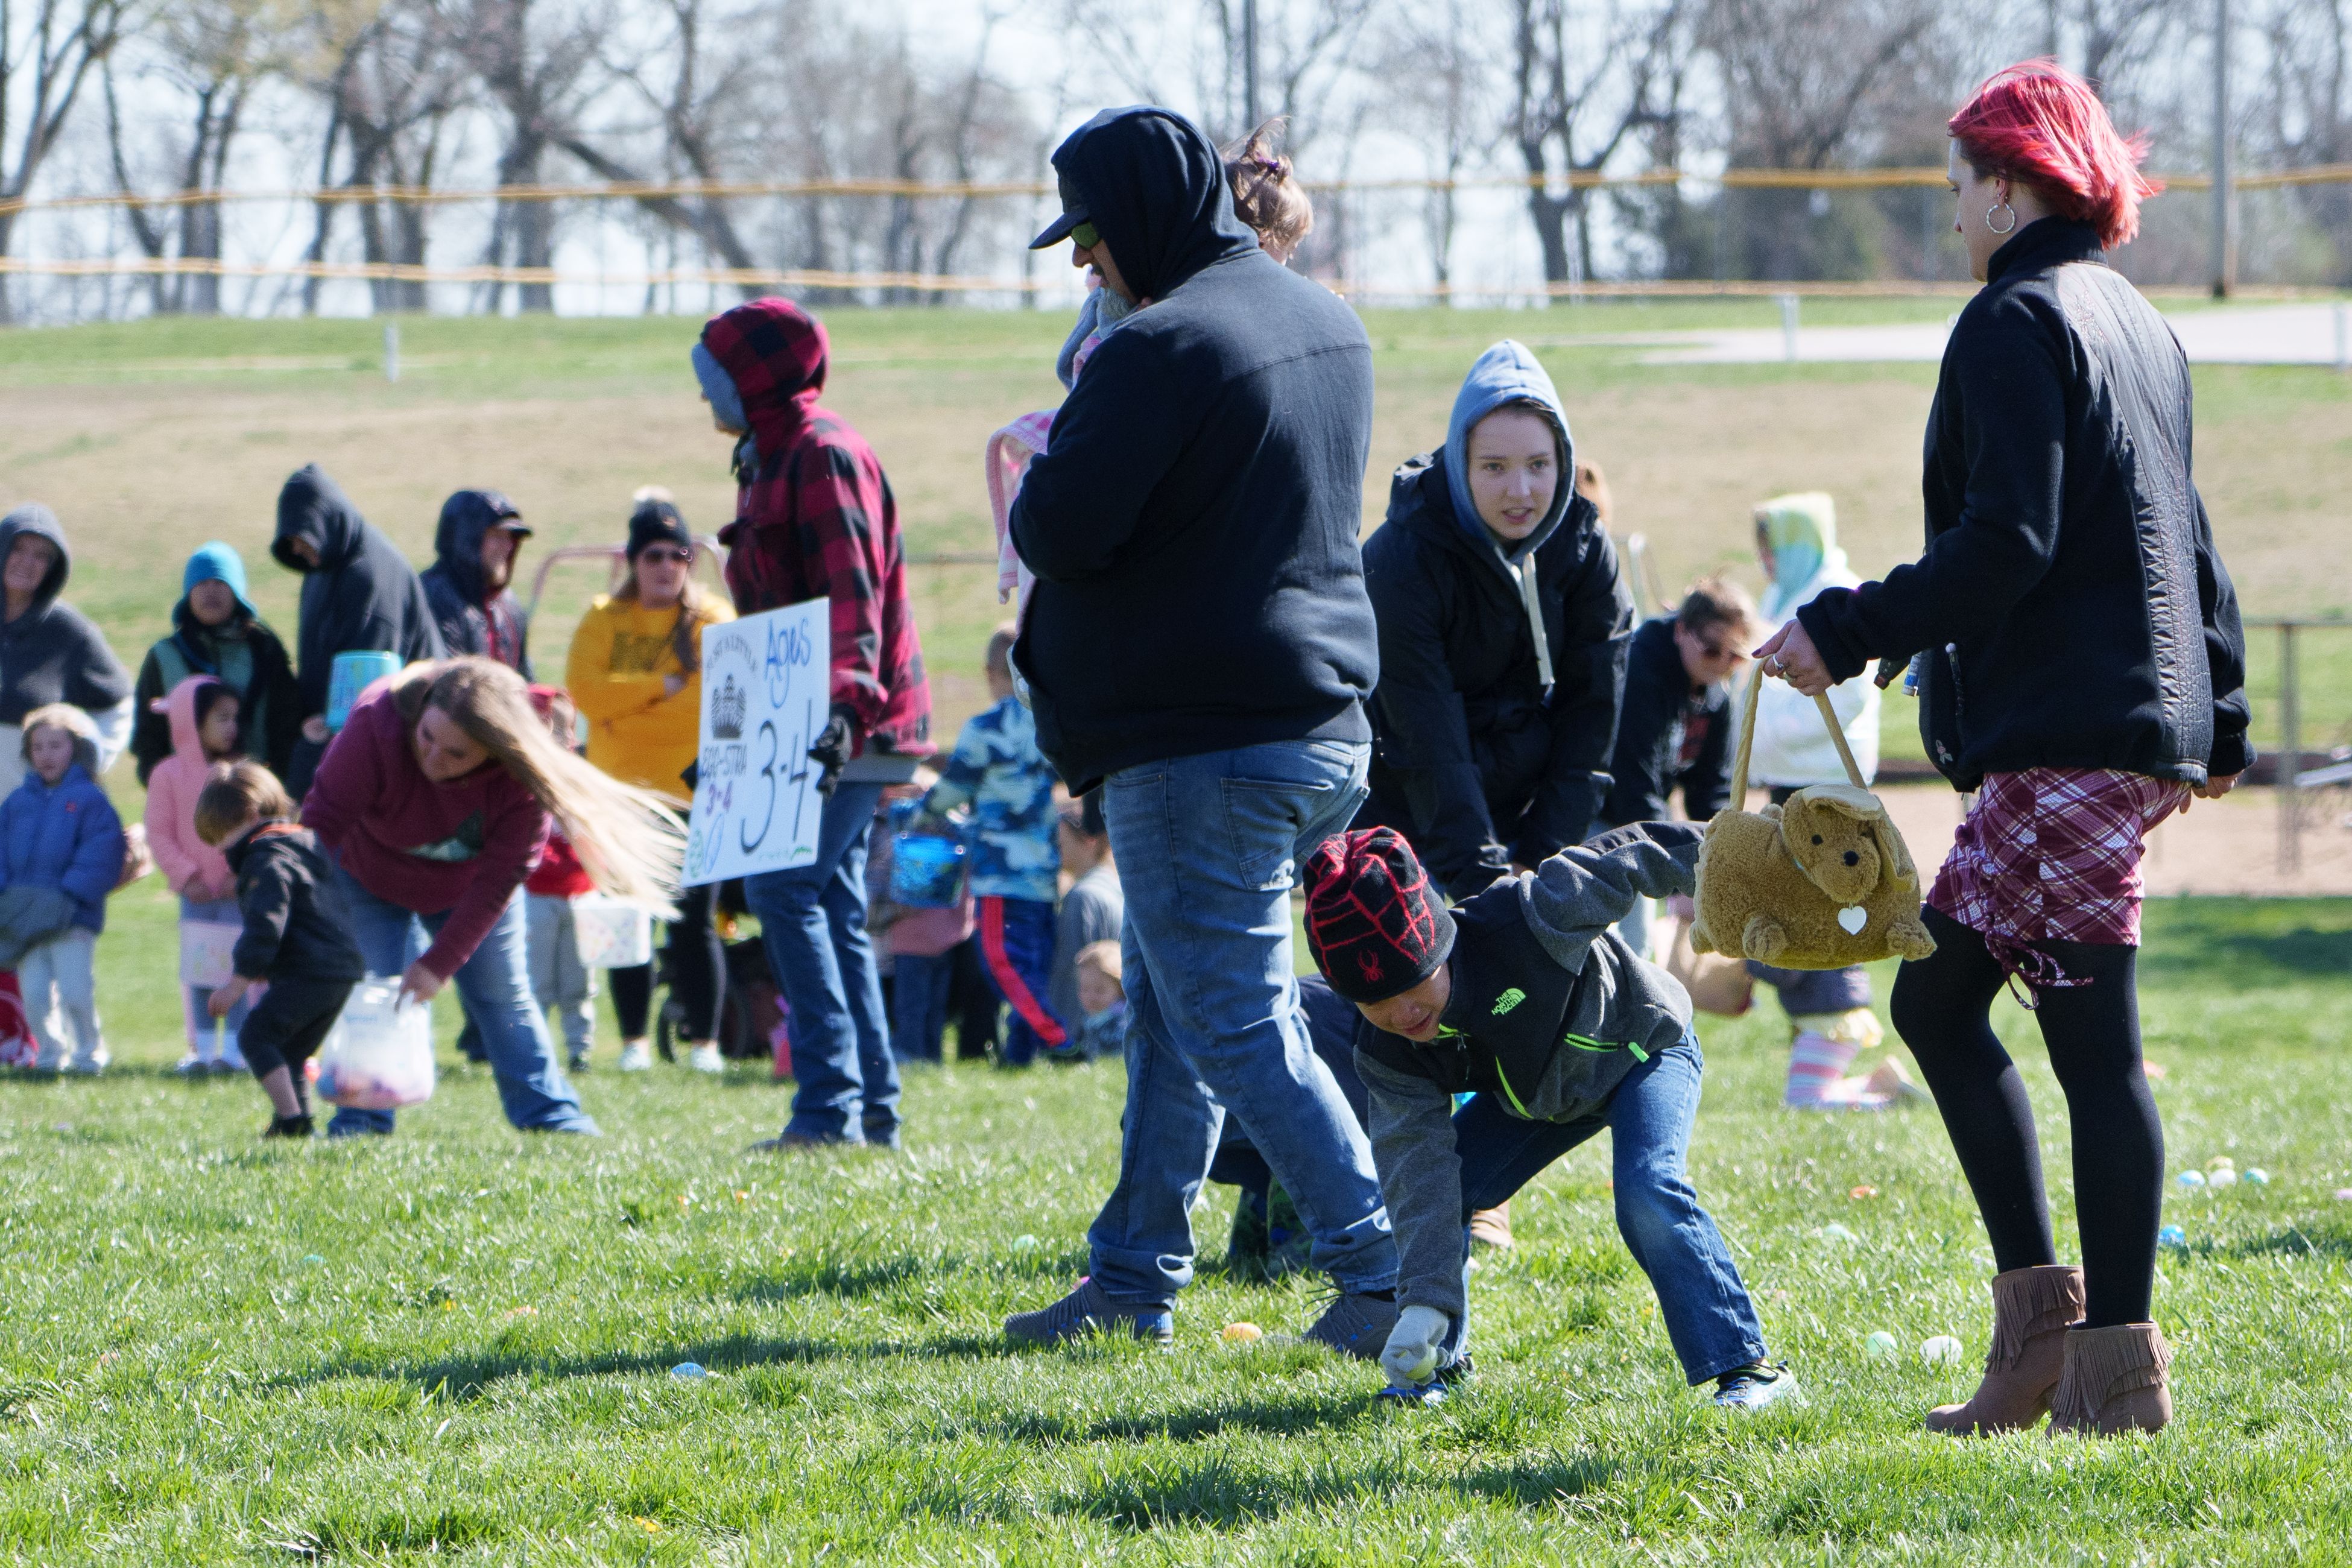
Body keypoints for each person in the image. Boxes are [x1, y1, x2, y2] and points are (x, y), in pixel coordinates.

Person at [1755, 60, 2251, 1438]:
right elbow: (2194, 540)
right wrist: (2226, 713)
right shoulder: (2136, 323)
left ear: (2010, 182)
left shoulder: (2015, 320)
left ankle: (2109, 1375)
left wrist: (1845, 627)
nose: (1954, 205)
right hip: (2119, 731)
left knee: (2093, 1049)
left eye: (1963, 180)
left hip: (2069, 734)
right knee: (1938, 1001)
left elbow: (2007, 544)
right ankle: (2047, 1335)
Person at [1000, 106, 1399, 1356]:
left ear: (1144, 222)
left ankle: (1389, 1273)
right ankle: (1132, 1276)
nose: (1084, 265)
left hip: (1199, 746)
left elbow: (1054, 531)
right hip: (1324, 725)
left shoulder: (1155, 347)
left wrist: (1094, 383)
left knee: (1236, 1024)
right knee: (1176, 1015)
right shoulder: (1326, 321)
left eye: (1093, 236)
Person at [1303, 824, 1801, 1412]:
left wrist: (1757, 863)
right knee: (1451, 1187)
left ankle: (1751, 1368)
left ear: (1438, 945)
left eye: (1413, 983)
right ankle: (1442, 1365)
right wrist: (1424, 1303)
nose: (1401, 1010)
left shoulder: (1530, 918)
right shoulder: (1386, 1052)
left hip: (1642, 1049)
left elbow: (1630, 854)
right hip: (1542, 1098)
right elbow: (1419, 1173)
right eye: (1374, 1000)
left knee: (1647, 1187)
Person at [694, 297, 934, 1148]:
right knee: (826, 902)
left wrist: (843, 713)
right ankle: (873, 1109)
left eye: (714, 378)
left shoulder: (823, 455)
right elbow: (769, 627)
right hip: (809, 718)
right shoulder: (768, 457)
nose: (703, 398)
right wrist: (727, 752)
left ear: (753, 378)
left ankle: (828, 1106)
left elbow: (851, 602)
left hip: (852, 721)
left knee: (783, 887)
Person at [301, 657, 684, 1136]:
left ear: (496, 753)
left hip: (469, 888)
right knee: (380, 990)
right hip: (367, 874)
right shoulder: (375, 724)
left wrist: (440, 963)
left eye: (456, 753)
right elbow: (319, 825)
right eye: (426, 737)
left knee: (503, 996)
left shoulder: (525, 779)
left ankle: (552, 1117)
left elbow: (503, 879)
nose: (433, 758)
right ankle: (361, 1118)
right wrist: (299, 909)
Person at [1358, 341, 1633, 901]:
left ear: (1564, 460)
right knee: (1445, 991)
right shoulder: (1398, 561)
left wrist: (1543, 866)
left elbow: (1592, 720)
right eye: (1494, 467)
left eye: (1539, 465)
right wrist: (1491, 889)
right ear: (1461, 464)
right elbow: (1426, 742)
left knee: (1526, 991)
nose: (1521, 491)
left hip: (1535, 830)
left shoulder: (1587, 551)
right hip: (1406, 836)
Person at [564, 492, 736, 1073]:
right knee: (628, 920)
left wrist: (632, 697)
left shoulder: (712, 620)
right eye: (653, 556)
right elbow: (587, 694)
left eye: (678, 555)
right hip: (621, 797)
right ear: (633, 562)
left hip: (696, 793)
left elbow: (714, 705)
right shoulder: (603, 619)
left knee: (696, 923)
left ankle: (705, 1045)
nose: (666, 567)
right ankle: (635, 1042)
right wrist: (662, 687)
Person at [1745, 493, 1906, 1110]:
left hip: (1827, 794)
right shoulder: (1784, 600)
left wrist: (1767, 731)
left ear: (1800, 542)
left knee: (1816, 916)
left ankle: (1857, 1071)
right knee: (1804, 916)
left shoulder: (1836, 597)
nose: (1763, 559)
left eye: (1772, 545)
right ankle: (1871, 1081)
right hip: (1794, 790)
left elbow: (1843, 700)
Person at [911, 625, 1063, 1064]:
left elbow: (955, 790)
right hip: (1043, 869)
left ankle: (1057, 1040)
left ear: (990, 672)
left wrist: (923, 811)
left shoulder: (986, 729)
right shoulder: (1048, 724)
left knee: (1001, 962)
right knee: (1032, 963)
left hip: (1000, 872)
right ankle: (1019, 1054)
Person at [194, 761, 365, 1139]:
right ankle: (295, 1120)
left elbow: (266, 922)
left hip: (310, 969)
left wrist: (237, 982)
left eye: (224, 840)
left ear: (252, 817)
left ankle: (293, 1122)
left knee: (256, 1036)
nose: (225, 852)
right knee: (289, 1050)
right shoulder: (306, 843)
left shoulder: (265, 857)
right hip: (340, 969)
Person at [1599, 576, 1757, 958]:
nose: (1722, 665)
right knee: (1612, 945)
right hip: (1596, 813)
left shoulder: (1716, 695)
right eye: (1712, 650)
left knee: (1635, 951)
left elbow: (1713, 790)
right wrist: (1681, 876)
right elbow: (1633, 782)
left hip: (1637, 815)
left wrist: (1721, 865)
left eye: (1735, 656)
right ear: (1682, 631)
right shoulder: (1639, 670)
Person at [271, 466, 446, 797]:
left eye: (302, 538)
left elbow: (369, 691)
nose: (296, 550)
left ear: (325, 522)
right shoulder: (323, 566)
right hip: (338, 731)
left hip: (394, 743)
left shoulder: (369, 576)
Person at [1, 706, 124, 1073]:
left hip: (72, 913)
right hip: (24, 915)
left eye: (56, 745)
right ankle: (51, 1057)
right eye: (37, 747)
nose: (46, 754)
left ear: (77, 748)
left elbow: (103, 851)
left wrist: (70, 894)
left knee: (75, 992)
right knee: (36, 995)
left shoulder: (91, 801)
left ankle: (89, 1054)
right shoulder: (16, 804)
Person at [143, 677, 254, 1075]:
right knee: (201, 970)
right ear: (191, 720)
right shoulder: (167, 775)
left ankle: (240, 1050)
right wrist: (187, 876)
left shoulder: (244, 773)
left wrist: (238, 874)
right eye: (221, 718)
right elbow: (159, 832)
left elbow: (256, 828)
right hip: (197, 896)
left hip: (238, 896)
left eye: (234, 718)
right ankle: (204, 1051)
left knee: (240, 970)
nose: (231, 727)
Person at [130, 543, 302, 785]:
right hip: (183, 794)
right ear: (188, 593)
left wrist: (276, 785)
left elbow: (287, 723)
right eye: (201, 584)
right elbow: (147, 735)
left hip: (253, 791)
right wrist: (161, 784)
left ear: (237, 593)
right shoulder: (163, 655)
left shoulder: (264, 650)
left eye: (221, 583)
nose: (211, 592)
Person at [0, 505, 133, 796]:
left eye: (41, 555)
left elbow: (120, 707)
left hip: (33, 818)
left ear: (53, 566)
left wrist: (82, 766)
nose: (28, 562)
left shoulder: (69, 631)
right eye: (19, 549)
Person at [522, 688, 599, 1073]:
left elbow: (597, 834)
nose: (557, 740)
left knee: (579, 980)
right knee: (537, 983)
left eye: (563, 731)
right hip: (537, 894)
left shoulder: (584, 775)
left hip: (581, 893)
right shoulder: (523, 778)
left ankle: (579, 1050)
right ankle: (536, 1051)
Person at [422, 489, 533, 675]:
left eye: (510, 538)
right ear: (466, 540)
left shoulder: (508, 605)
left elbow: (525, 680)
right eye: (496, 536)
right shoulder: (432, 598)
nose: (507, 547)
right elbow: (448, 686)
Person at [1046, 795, 1121, 1042]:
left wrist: (1065, 1039)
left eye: (1060, 840)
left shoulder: (1083, 896)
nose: (1055, 848)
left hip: (1088, 1033)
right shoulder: (1112, 884)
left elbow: (1075, 975)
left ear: (1088, 840)